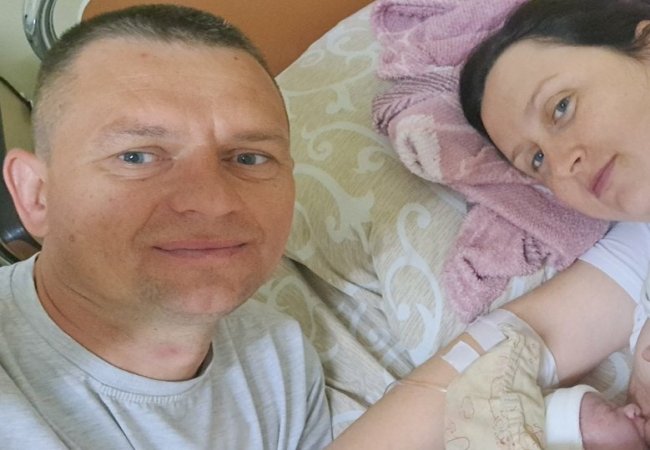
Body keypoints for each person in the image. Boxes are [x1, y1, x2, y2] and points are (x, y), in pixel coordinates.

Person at [0, 4, 332, 449]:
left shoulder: (279, 355)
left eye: (249, 158)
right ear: (36, 194)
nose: (214, 202)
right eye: (137, 156)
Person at [328, 0, 650, 448]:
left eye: (561, 108)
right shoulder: (637, 249)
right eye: (536, 160)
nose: (562, 164)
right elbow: (481, 363)